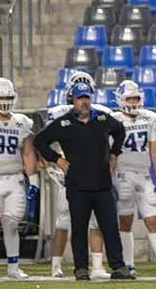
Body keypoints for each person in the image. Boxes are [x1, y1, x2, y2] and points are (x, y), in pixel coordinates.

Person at [33, 81, 134, 280]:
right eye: (80, 98)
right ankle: (81, 268)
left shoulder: (103, 118)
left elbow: (120, 130)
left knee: (110, 228)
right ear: (73, 100)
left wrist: (114, 153)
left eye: (87, 97)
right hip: (77, 185)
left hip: (103, 184)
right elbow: (39, 141)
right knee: (78, 228)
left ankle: (118, 267)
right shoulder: (64, 123)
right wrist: (57, 159)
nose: (84, 102)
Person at [43, 71, 113, 278]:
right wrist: (56, 161)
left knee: (95, 222)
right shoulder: (59, 114)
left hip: (92, 173)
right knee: (64, 221)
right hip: (68, 173)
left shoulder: (99, 113)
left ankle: (98, 265)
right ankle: (56, 264)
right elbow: (46, 141)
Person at [111, 80, 156, 277]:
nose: (133, 102)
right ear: (121, 100)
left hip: (144, 175)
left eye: (135, 98)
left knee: (153, 220)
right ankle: (128, 265)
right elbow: (109, 152)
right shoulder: (113, 119)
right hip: (122, 175)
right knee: (125, 221)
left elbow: (154, 146)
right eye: (129, 98)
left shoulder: (149, 117)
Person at [0, 78, 37, 280]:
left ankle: (13, 267)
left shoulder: (21, 122)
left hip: (14, 179)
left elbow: (28, 153)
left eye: (8, 97)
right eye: (0, 97)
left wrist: (34, 181)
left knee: (12, 222)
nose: (4, 101)